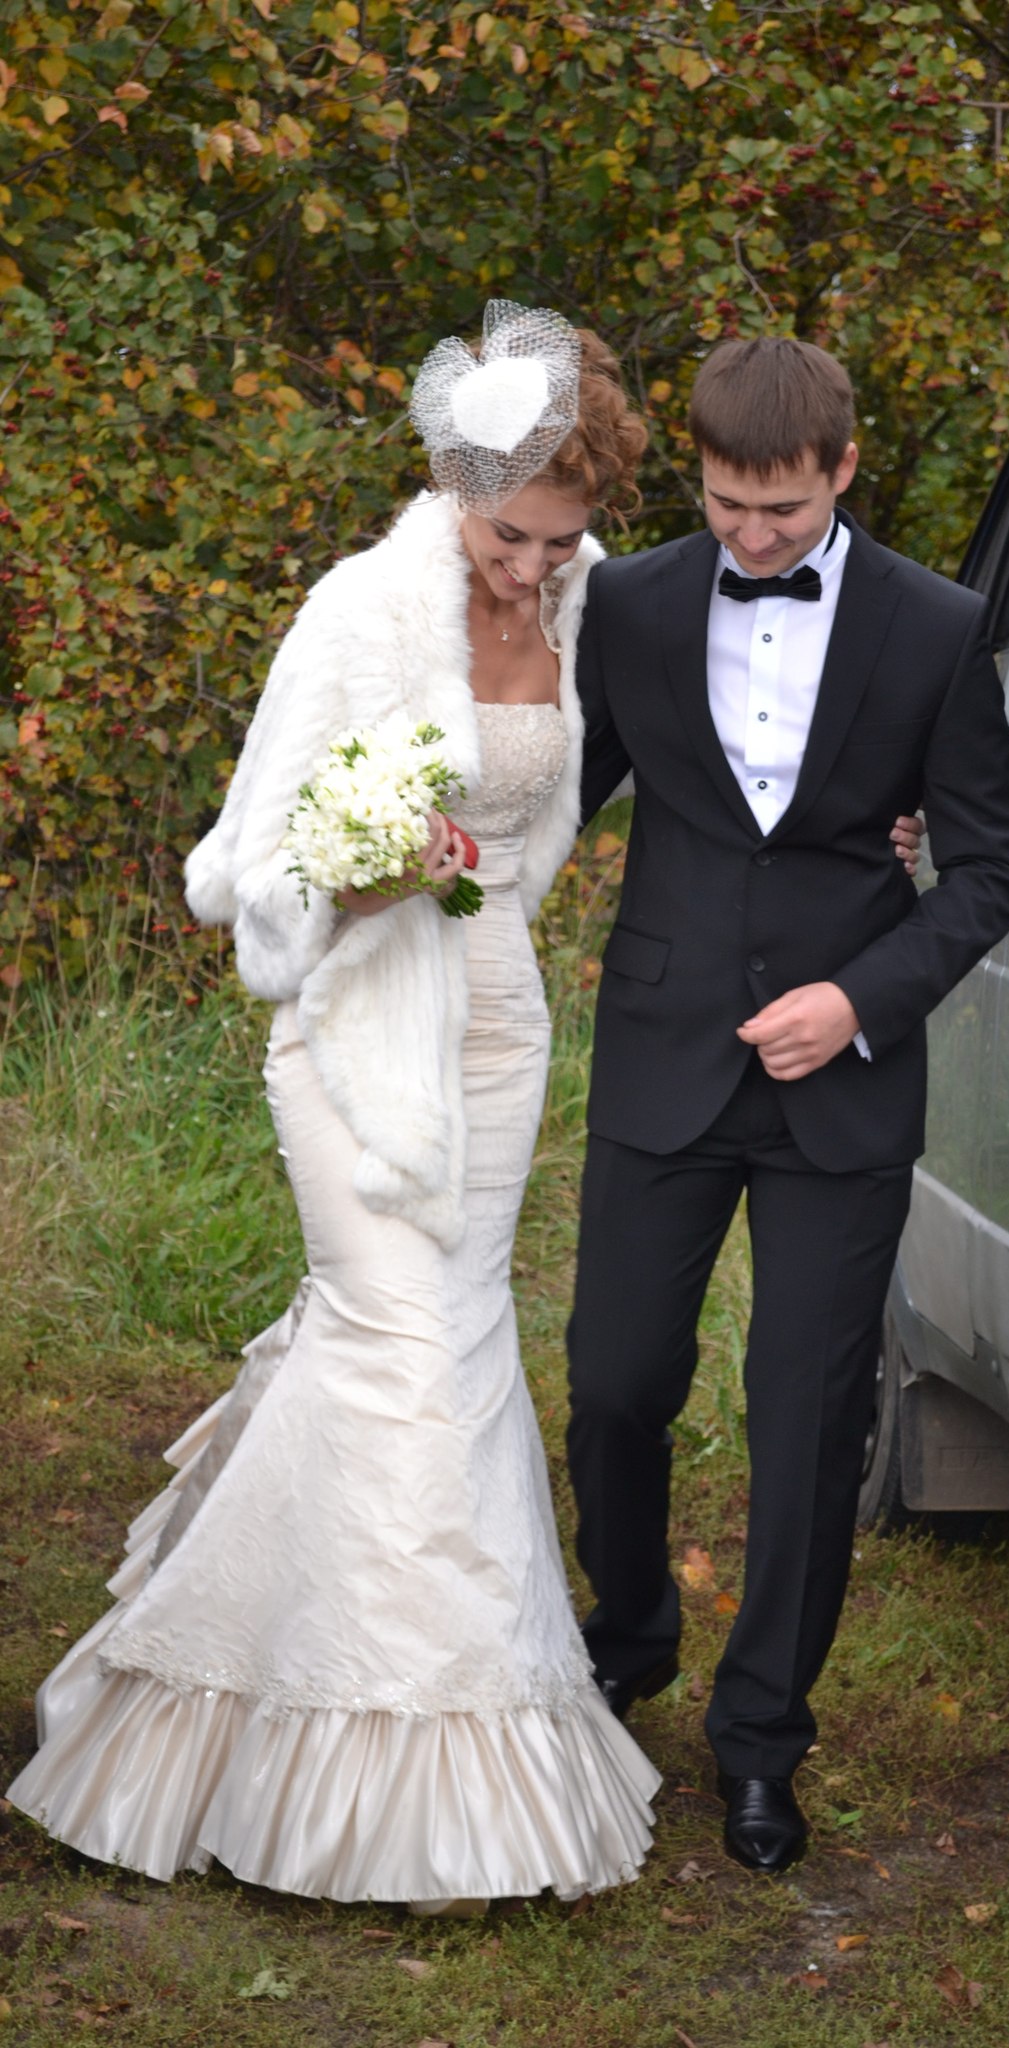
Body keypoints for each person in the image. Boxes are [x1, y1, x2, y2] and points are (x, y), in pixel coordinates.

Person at [7, 302, 663, 1908]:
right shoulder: (357, 611)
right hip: (356, 1025)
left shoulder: (588, 599)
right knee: (396, 1351)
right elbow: (244, 873)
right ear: (452, 487)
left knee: (460, 1350)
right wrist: (364, 875)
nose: (530, 571)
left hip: (496, 1025)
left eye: (560, 540)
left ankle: (396, 1743)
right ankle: (393, 1769)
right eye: (509, 539)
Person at [566, 335, 1009, 1876]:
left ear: (840, 470)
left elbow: (990, 863)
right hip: (663, 1052)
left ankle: (761, 1738)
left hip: (844, 1085)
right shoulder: (628, 604)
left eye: (780, 509)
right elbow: (555, 790)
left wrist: (862, 1000)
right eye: (723, 506)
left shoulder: (939, 628)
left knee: (808, 1418)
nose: (751, 537)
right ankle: (628, 1635)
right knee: (614, 1382)